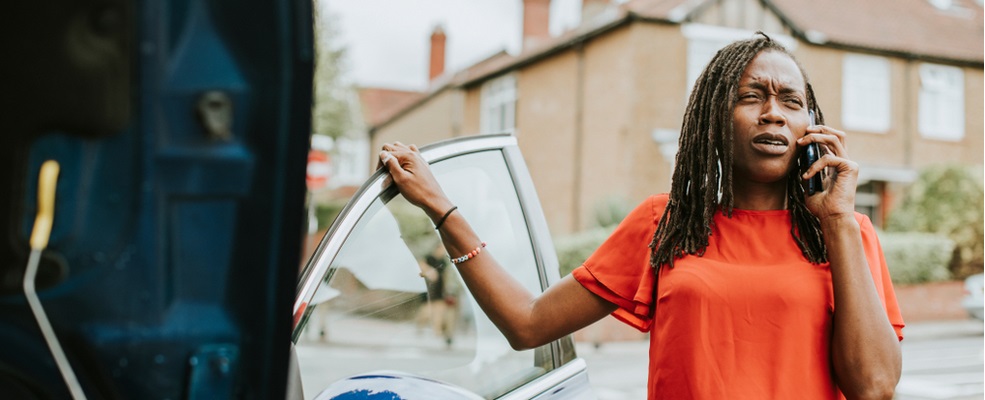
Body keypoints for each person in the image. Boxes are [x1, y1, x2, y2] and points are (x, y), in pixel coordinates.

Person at [377, 33, 904, 399]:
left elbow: (875, 386)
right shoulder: (665, 225)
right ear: (714, 117)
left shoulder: (846, 234)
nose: (773, 112)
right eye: (752, 96)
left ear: (811, 126)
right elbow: (529, 323)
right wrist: (442, 210)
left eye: (791, 101)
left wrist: (836, 221)